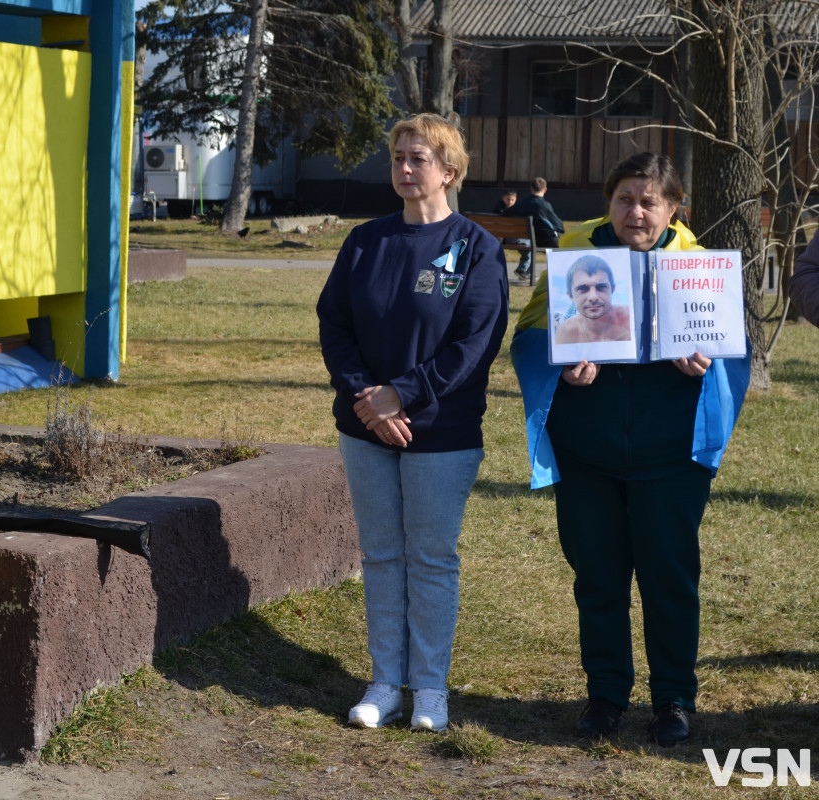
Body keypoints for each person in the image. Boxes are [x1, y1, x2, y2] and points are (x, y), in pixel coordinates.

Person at [511, 153, 750, 747]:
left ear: (673, 209)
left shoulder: (698, 268)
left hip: (670, 456)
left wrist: (706, 363)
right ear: (608, 200)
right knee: (598, 578)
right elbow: (530, 336)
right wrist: (559, 367)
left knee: (670, 579)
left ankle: (673, 699)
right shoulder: (574, 255)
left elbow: (734, 356)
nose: (635, 212)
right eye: (624, 198)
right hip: (588, 451)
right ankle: (605, 696)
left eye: (649, 201)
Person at [317, 114, 508, 733]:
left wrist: (402, 394)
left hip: (442, 431)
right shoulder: (365, 241)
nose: (403, 169)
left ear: (449, 171)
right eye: (398, 157)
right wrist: (367, 402)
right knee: (380, 556)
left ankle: (429, 689)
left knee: (429, 558)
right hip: (365, 427)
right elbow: (335, 324)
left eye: (417, 158)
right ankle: (384, 682)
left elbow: (474, 342)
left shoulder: (477, 248)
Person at [554, 255, 632, 343]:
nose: (593, 297)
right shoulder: (567, 332)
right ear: (571, 296)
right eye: (583, 288)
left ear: (612, 290)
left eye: (601, 287)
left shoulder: (631, 319)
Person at [505, 177, 565, 279]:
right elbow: (558, 225)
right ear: (545, 189)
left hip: (530, 239)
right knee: (564, 243)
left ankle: (525, 271)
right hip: (545, 240)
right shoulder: (545, 205)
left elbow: (505, 213)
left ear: (531, 189)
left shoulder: (523, 203)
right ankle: (559, 276)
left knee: (533, 242)